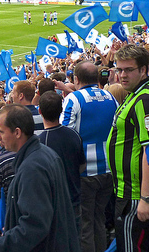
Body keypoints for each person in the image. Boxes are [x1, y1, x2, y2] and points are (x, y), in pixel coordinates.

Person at [0, 105, 79, 252]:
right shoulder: (42, 155)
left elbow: (34, 225)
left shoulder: (33, 168)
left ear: (17, 132)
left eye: (1, 132)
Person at [106, 44, 149, 252]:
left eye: (128, 70)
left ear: (143, 70)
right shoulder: (135, 94)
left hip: (135, 193)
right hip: (127, 190)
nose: (122, 75)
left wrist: (146, 198)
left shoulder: (145, 100)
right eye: (119, 69)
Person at [61, 61, 118, 252]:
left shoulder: (74, 99)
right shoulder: (111, 97)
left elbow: (65, 134)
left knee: (85, 224)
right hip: (109, 170)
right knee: (98, 220)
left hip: (85, 173)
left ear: (76, 79)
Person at [38, 92, 86, 230]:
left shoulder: (39, 142)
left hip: (54, 204)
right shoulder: (74, 135)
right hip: (74, 199)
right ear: (61, 110)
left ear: (40, 111)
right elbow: (82, 165)